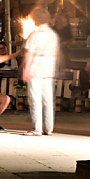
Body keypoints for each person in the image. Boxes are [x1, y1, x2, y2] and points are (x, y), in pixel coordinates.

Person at [21, 7, 60, 136]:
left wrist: (26, 69)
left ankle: (37, 128)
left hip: (36, 69)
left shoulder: (35, 35)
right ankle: (49, 128)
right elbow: (55, 54)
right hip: (49, 69)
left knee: (35, 99)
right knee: (48, 100)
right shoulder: (54, 35)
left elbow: (30, 53)